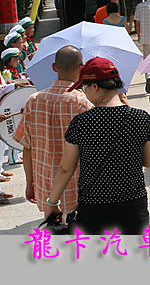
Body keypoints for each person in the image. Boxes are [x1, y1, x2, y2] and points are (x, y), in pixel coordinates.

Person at [44, 57, 150, 234]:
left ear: (95, 87)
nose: (84, 92)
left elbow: (66, 168)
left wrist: (52, 203)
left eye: (84, 87)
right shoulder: (140, 118)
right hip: (133, 205)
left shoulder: (81, 123)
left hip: (94, 206)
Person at [13, 46, 92, 220]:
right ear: (82, 67)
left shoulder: (33, 101)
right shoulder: (82, 104)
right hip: (78, 188)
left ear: (54, 67)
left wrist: (30, 182)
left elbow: (27, 148)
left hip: (46, 188)